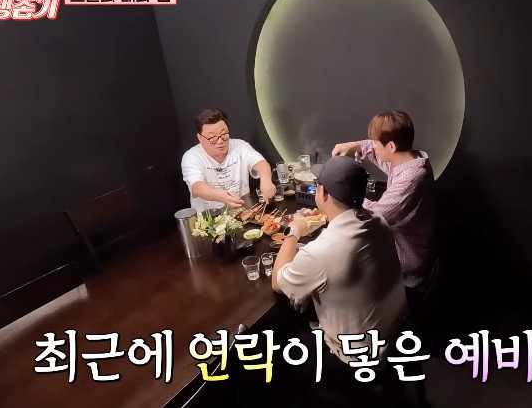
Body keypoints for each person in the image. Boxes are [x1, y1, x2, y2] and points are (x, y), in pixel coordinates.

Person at [271, 156, 408, 405]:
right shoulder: (379, 221)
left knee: (280, 349)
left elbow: (278, 283)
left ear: (322, 193)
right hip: (394, 333)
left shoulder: (319, 253)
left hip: (355, 357)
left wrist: (293, 232)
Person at [331, 110, 437, 306]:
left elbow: (376, 215)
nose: (372, 145)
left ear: (391, 146)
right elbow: (375, 151)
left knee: (343, 270)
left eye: (376, 142)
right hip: (405, 250)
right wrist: (352, 146)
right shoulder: (410, 159)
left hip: (406, 270)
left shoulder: (412, 177)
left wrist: (341, 192)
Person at [181, 108, 276, 212]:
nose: (220, 141)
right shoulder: (192, 156)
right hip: (209, 218)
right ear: (200, 137)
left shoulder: (240, 146)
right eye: (212, 138)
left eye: (224, 134)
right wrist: (220, 196)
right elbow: (197, 187)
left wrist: (266, 180)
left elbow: (260, 163)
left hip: (242, 213)